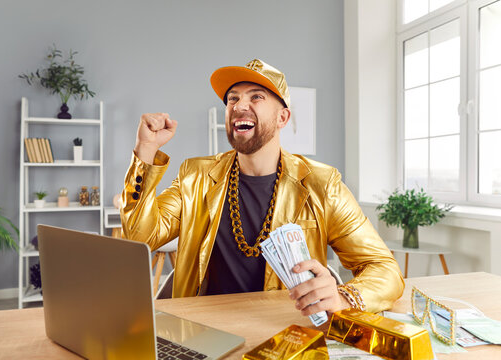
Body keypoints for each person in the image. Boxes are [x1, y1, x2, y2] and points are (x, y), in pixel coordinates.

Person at [121, 59, 404, 315]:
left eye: (256, 97)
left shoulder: (322, 184)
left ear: (283, 118)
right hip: (203, 330)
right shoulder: (194, 176)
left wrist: (344, 298)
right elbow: (140, 237)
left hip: (283, 331)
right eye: (233, 99)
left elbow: (385, 270)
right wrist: (145, 151)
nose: (239, 106)